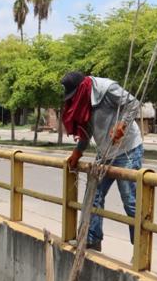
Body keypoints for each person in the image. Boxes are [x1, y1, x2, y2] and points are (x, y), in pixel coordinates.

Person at [61, 70, 143, 251]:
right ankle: (91, 240)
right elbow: (86, 130)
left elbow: (134, 104)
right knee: (93, 195)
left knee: (130, 201)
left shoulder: (107, 89)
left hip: (126, 150)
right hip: (104, 152)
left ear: (82, 87)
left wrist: (122, 124)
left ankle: (139, 251)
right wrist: (78, 151)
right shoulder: (82, 100)